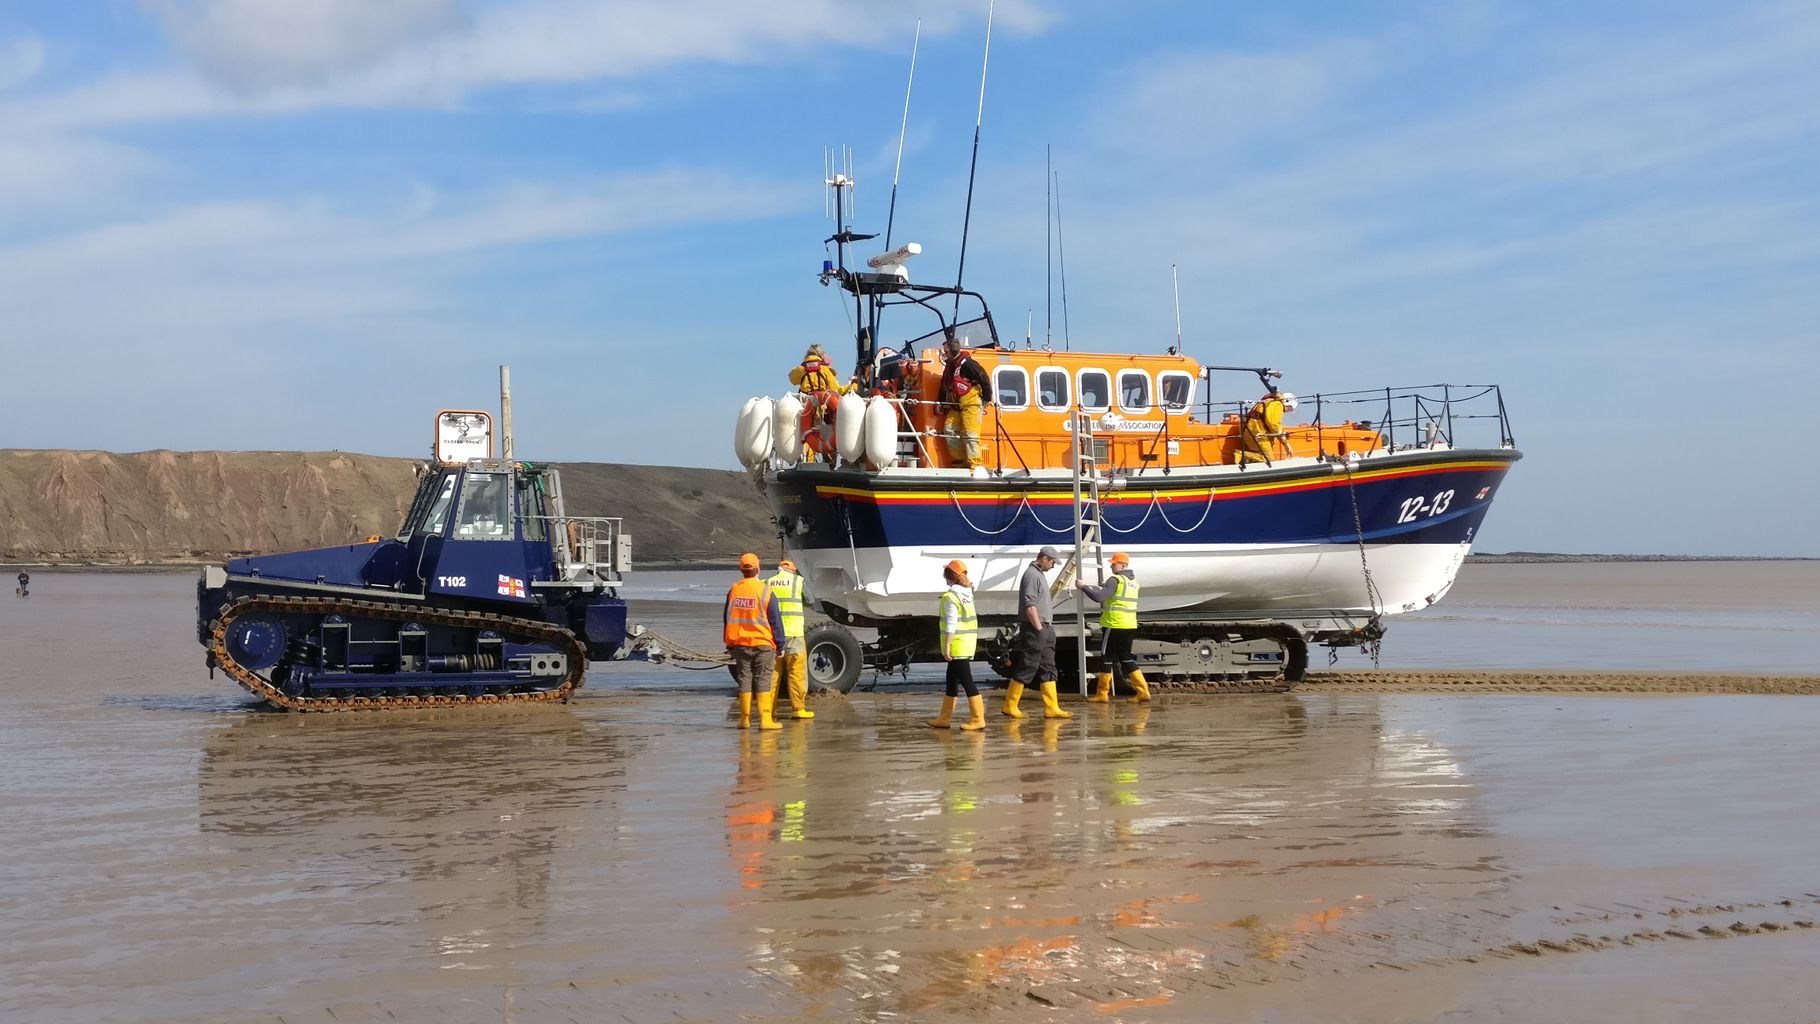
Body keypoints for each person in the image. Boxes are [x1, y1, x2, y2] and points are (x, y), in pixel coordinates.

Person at [1004, 545, 1072, 720]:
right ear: (1044, 558)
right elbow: (1029, 604)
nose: (1054, 566)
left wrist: (1045, 629)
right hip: (1035, 627)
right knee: (1028, 665)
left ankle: (1052, 708)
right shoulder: (1032, 575)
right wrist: (1039, 628)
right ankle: (1010, 705)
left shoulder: (1038, 574)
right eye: (1053, 562)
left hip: (1045, 626)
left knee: (1048, 666)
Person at [1074, 551, 1151, 703]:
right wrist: (1105, 587)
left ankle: (1102, 694)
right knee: (1125, 658)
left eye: (1114, 563)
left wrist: (1083, 587)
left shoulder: (1114, 580)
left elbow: (1098, 597)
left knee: (1107, 658)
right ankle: (1143, 691)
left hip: (1113, 625)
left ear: (1123, 565)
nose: (1111, 566)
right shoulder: (1133, 582)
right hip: (1129, 625)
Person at [725, 552, 786, 730]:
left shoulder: (734, 590)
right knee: (763, 680)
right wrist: (781, 644)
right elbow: (775, 620)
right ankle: (765, 720)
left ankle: (744, 720)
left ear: (741, 570)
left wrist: (729, 643)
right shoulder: (765, 591)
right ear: (758, 569)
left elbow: (727, 618)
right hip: (763, 644)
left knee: (744, 679)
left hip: (741, 644)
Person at [928, 560, 987, 731]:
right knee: (951, 680)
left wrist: (946, 647)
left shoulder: (950, 597)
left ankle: (978, 719)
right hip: (966, 643)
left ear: (948, 577)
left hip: (957, 645)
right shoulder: (967, 593)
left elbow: (951, 624)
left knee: (967, 682)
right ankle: (944, 718)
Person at [937, 328, 993, 472]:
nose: (944, 354)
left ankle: (975, 465)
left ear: (953, 351)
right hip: (956, 405)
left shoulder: (968, 364)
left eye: (946, 351)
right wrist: (940, 403)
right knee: (949, 430)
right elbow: (945, 385)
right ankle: (959, 463)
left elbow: (983, 377)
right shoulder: (949, 366)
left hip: (971, 403)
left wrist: (987, 398)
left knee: (970, 434)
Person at [766, 558, 814, 721]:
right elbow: (811, 600)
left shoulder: (768, 582)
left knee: (772, 674)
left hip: (772, 635)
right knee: (796, 672)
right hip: (794, 634)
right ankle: (798, 709)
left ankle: (769, 710)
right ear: (793, 570)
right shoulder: (798, 581)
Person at [1236, 390, 1297, 466]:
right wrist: (1285, 444)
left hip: (1251, 432)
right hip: (1258, 435)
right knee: (1269, 461)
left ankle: (1247, 460)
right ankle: (1241, 455)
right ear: (1287, 402)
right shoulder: (1277, 404)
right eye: (1290, 408)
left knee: (1262, 458)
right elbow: (1274, 425)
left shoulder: (1270, 401)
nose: (1288, 411)